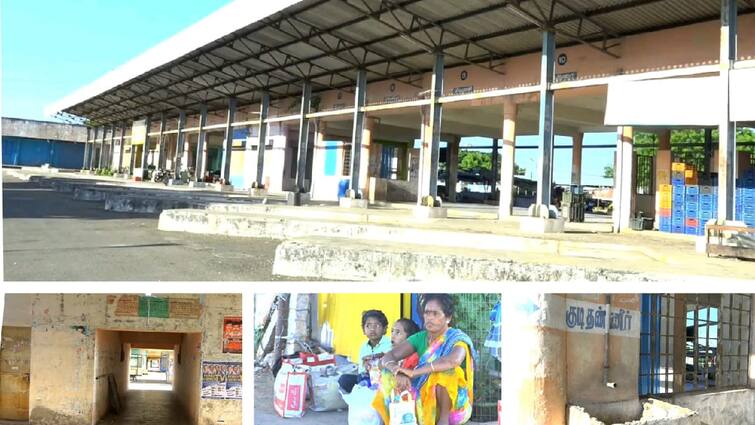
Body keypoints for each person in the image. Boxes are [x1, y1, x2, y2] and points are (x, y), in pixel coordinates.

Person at [374, 294, 477, 425]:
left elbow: (453, 361)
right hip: (420, 398)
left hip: (453, 406)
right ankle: (390, 421)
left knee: (447, 372)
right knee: (387, 374)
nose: (430, 318)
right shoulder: (420, 337)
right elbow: (389, 357)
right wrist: (397, 371)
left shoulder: (456, 338)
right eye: (427, 313)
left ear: (448, 318)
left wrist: (413, 373)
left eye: (435, 314)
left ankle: (443, 421)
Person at [338, 309, 392, 393]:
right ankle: (361, 392)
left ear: (384, 329)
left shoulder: (390, 343)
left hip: (383, 378)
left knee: (363, 380)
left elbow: (389, 358)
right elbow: (361, 370)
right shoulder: (363, 347)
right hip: (366, 377)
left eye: (377, 326)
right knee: (344, 379)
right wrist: (366, 367)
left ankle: (364, 392)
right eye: (368, 326)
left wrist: (374, 358)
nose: (372, 329)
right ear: (363, 330)